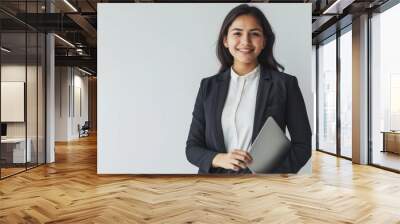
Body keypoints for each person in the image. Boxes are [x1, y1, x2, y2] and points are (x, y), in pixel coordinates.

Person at [186, 4, 311, 174]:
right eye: (237, 33)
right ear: (225, 40)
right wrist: (219, 159)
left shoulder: (285, 84)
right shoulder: (208, 87)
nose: (245, 41)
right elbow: (192, 148)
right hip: (214, 188)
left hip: (263, 191)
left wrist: (269, 177)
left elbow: (303, 146)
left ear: (264, 41)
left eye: (255, 34)